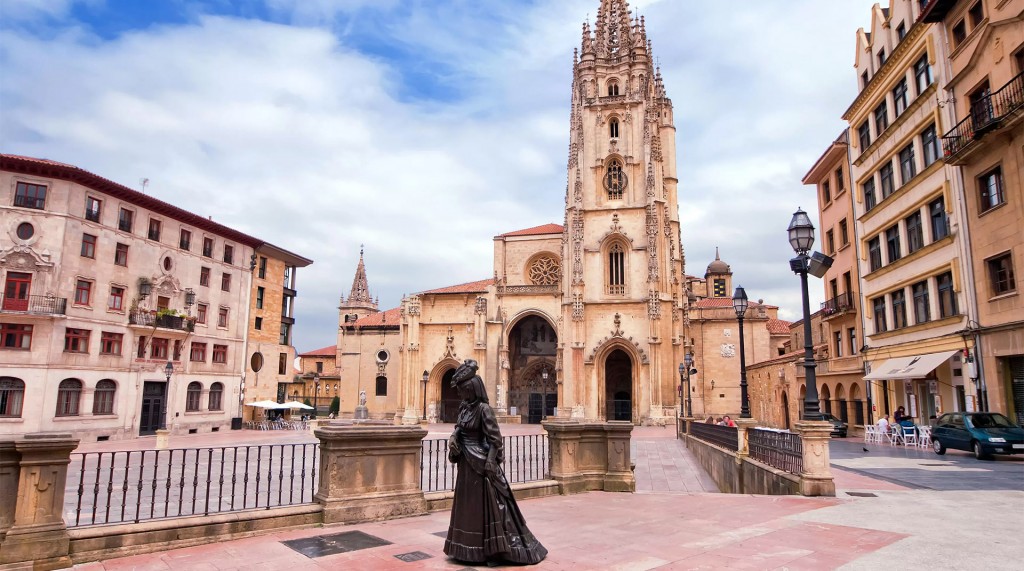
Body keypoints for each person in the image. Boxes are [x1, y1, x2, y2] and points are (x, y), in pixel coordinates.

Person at [444, 359, 547, 566]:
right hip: (467, 464)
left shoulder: (484, 409)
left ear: (472, 389)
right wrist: (455, 437)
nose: (460, 394)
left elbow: (495, 439)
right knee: (469, 507)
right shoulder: (465, 408)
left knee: (490, 506)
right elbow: (460, 427)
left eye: (463, 390)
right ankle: (466, 548)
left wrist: (490, 462)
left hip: (481, 464)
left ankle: (491, 549)